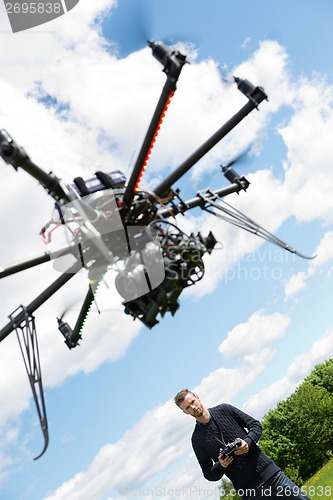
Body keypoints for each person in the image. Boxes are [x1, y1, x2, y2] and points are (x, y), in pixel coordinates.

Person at [174, 389, 310, 500]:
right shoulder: (196, 439)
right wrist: (221, 465)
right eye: (188, 407)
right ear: (185, 412)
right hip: (251, 493)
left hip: (273, 476)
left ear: (198, 397)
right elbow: (208, 474)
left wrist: (248, 442)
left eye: (193, 401)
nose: (193, 407)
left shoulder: (224, 409)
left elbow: (255, 425)